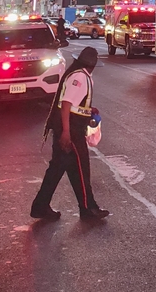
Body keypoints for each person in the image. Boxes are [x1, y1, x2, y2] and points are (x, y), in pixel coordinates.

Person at [30, 47, 109, 222]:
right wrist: (66, 132)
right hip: (71, 130)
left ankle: (41, 207)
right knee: (81, 168)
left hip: (69, 126)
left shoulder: (76, 74)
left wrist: (88, 111)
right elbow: (66, 104)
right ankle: (88, 208)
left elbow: (73, 104)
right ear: (92, 65)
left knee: (63, 169)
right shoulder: (80, 77)